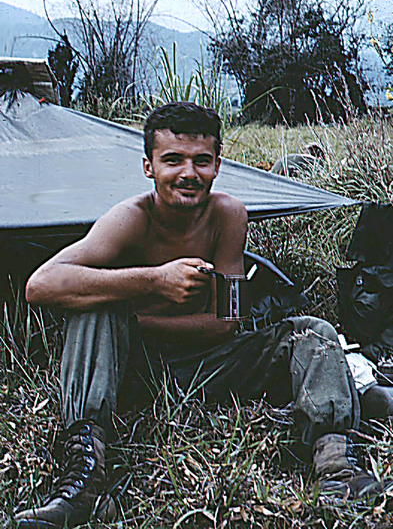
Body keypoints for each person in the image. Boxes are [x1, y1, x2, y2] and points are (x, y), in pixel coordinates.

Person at [14, 102, 389, 528]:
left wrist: (145, 319)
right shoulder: (129, 220)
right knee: (95, 310)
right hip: (131, 368)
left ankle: (335, 466)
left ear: (217, 166)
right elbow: (40, 286)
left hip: (208, 362)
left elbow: (225, 321)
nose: (188, 173)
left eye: (201, 161)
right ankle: (84, 482)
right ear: (148, 166)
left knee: (313, 332)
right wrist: (152, 282)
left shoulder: (228, 216)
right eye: (172, 160)